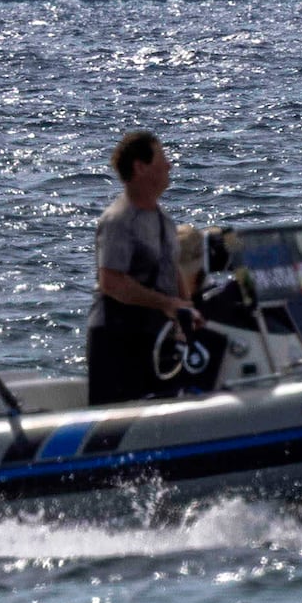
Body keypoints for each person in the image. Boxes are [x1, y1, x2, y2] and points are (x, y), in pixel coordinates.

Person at [86, 130, 211, 408]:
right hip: (116, 338)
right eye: (162, 158)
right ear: (140, 167)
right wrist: (167, 304)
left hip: (154, 336)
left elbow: (172, 269)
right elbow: (112, 282)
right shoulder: (119, 221)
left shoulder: (162, 219)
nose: (169, 165)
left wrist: (185, 311)